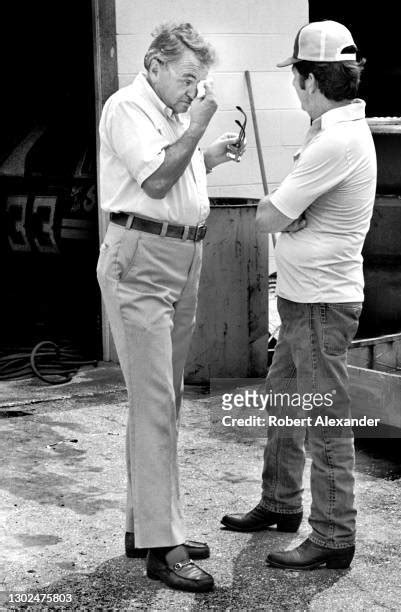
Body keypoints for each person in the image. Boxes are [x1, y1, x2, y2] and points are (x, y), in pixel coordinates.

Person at [221, 20, 377, 571]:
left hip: (319, 302)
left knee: (322, 418)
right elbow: (284, 215)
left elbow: (266, 215)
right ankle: (281, 503)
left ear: (311, 80)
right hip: (303, 298)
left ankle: (334, 535)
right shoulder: (331, 132)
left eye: (296, 78)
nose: (293, 88)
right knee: (284, 400)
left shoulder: (333, 141)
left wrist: (287, 214)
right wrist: (293, 216)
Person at [97, 22, 245, 592]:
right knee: (156, 402)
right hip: (141, 260)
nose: (194, 90)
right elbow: (156, 181)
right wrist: (201, 123)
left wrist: (207, 154)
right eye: (187, 78)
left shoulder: (171, 109)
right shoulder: (127, 107)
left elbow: (176, 171)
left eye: (200, 82)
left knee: (164, 400)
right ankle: (164, 545)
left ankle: (145, 527)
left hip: (181, 259)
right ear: (154, 64)